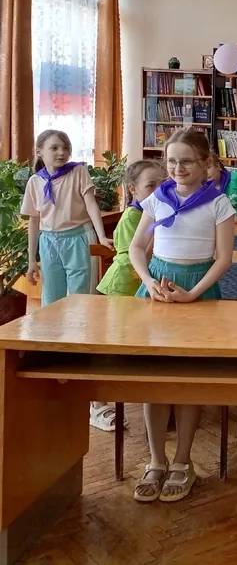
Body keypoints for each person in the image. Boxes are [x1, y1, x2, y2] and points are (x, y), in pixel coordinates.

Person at [128, 128, 236, 503]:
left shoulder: (219, 203)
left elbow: (224, 259)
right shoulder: (157, 198)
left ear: (206, 163)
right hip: (158, 289)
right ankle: (156, 460)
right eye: (172, 161)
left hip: (198, 292)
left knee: (188, 380)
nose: (178, 168)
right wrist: (148, 280)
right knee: (154, 380)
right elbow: (137, 247)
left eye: (187, 161)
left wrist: (193, 293)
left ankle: (183, 461)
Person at [21, 130, 115, 431]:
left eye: (65, 147)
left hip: (78, 238)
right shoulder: (35, 182)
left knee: (81, 304)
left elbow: (91, 205)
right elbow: (34, 221)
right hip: (49, 242)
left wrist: (101, 236)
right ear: (40, 151)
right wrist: (32, 259)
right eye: (54, 148)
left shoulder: (78, 173)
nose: (61, 152)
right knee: (51, 305)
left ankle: (85, 376)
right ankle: (55, 371)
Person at [97, 159, 166, 297]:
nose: (158, 191)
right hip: (121, 284)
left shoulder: (153, 212)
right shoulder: (131, 216)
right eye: (151, 186)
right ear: (133, 188)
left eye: (163, 185)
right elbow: (139, 253)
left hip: (139, 281)